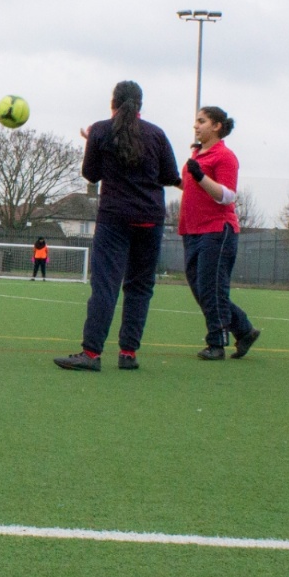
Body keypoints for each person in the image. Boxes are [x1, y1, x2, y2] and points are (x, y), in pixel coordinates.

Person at [54, 81, 179, 371]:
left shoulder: (100, 130)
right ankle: (128, 354)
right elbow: (169, 175)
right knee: (139, 287)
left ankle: (92, 354)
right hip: (150, 219)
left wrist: (93, 142)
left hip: (114, 219)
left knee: (105, 286)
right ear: (141, 105)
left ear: (113, 102)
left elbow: (91, 174)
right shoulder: (157, 134)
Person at [179, 106, 260, 361]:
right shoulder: (197, 154)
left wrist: (200, 176)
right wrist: (174, 179)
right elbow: (192, 185)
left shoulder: (224, 156)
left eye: (202, 121)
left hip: (217, 230)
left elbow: (227, 195)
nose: (196, 126)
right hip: (192, 230)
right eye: (196, 121)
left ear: (216, 126)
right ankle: (244, 330)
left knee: (212, 288)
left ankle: (217, 342)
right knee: (201, 289)